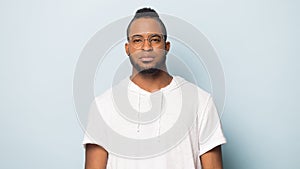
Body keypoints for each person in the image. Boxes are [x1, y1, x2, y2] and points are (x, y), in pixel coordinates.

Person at [83, 7, 226, 169]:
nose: (147, 47)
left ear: (166, 46)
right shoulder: (103, 105)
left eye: (155, 39)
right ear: (127, 48)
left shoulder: (201, 101)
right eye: (137, 40)